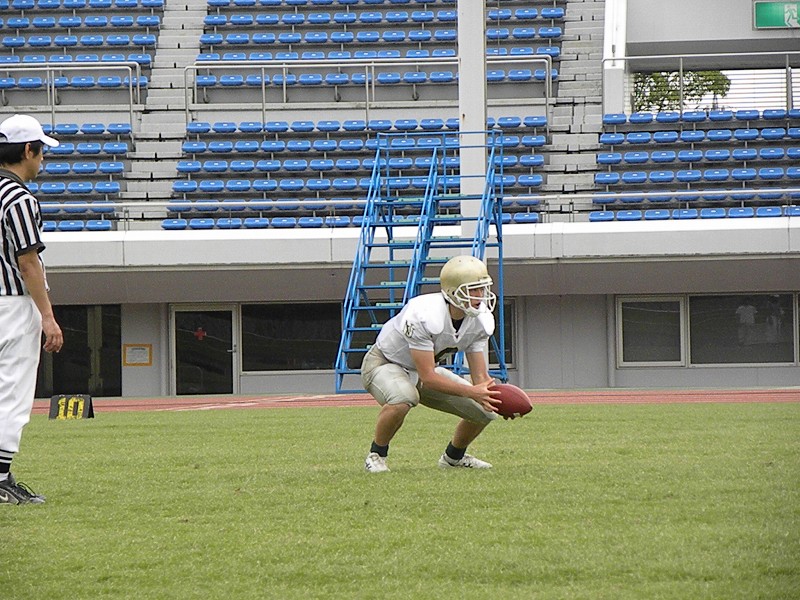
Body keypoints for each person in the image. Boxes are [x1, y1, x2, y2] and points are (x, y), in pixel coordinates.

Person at [361, 255, 502, 473]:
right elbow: (428, 378)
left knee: (484, 411)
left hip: (421, 371)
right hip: (384, 362)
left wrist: (495, 398)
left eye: (482, 289)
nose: (480, 296)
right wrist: (473, 392)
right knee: (403, 398)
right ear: (453, 292)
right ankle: (376, 455)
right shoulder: (424, 314)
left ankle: (453, 458)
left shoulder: (480, 320)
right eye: (473, 290)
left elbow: (480, 378)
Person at [0, 114, 64, 504]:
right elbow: (28, 262)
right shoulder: (19, 198)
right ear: (27, 150)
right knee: (13, 394)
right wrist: (48, 316)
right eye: (40, 152)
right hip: (11, 305)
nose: (42, 160)